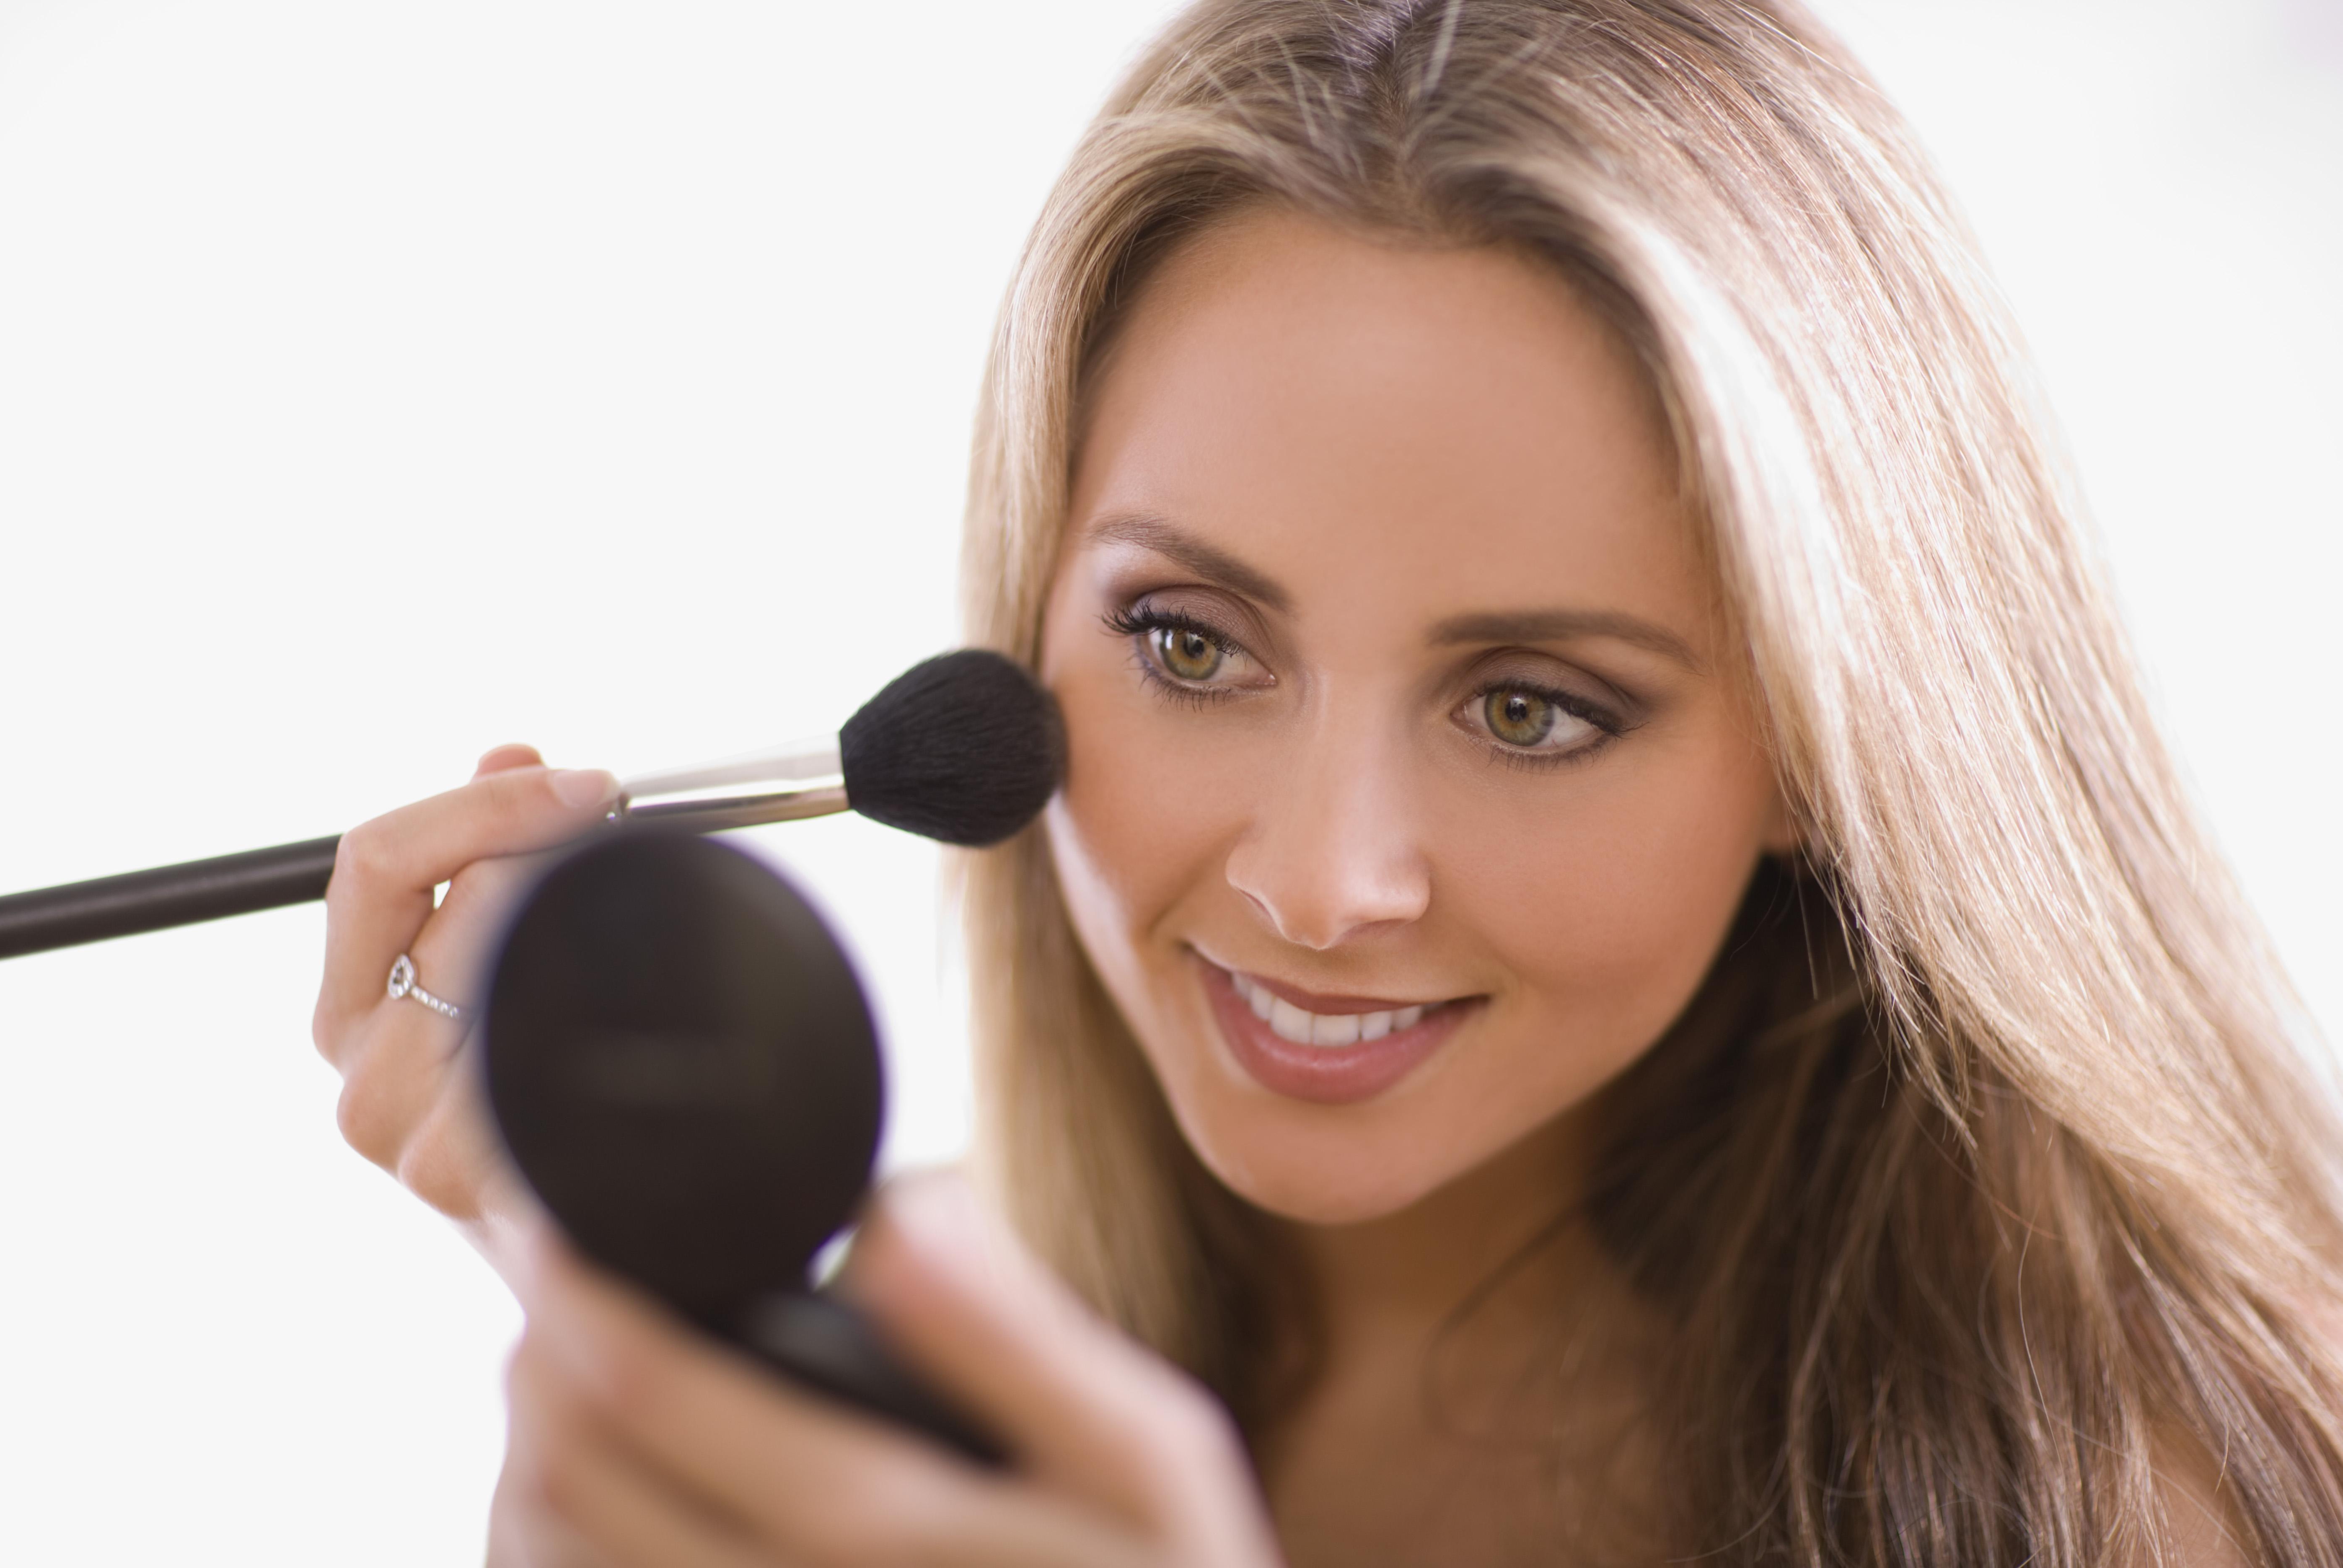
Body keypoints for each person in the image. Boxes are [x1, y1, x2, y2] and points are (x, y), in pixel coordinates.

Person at [309, 2, 2343, 1563]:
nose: (1320, 882)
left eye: (1534, 706)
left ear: (1833, 744)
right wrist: (684, 1358)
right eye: (1191, 645)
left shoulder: (2137, 1485)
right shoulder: (944, 1337)